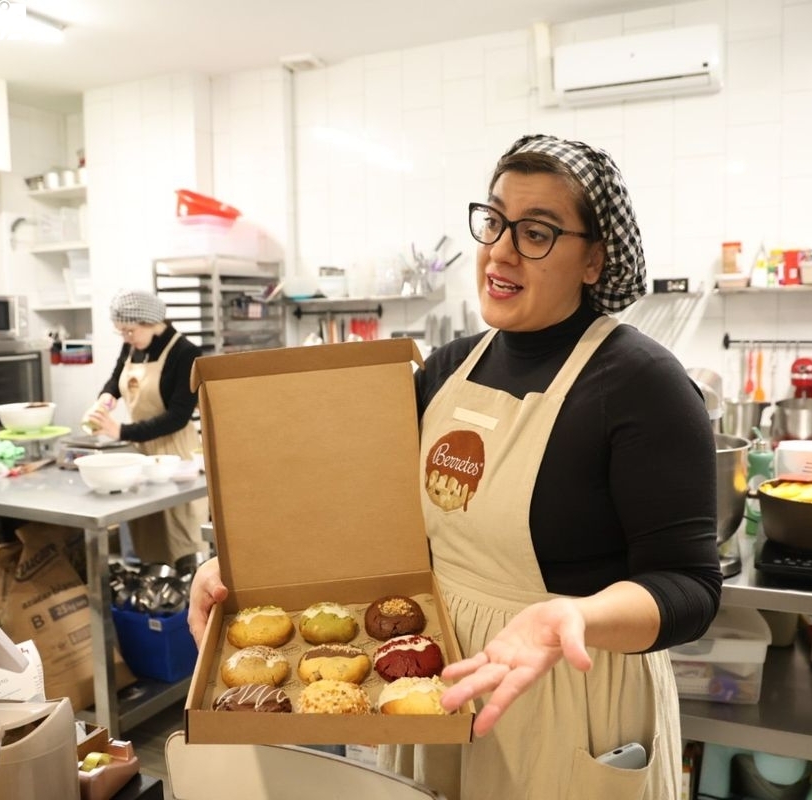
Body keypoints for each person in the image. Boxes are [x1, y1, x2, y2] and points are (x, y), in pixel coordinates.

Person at [187, 134, 719, 799]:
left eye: (537, 233)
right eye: (494, 221)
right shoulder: (445, 369)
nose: (499, 249)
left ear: (594, 260)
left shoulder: (641, 383)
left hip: (568, 695)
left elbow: (691, 586)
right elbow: (358, 511)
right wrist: (243, 567)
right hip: (428, 684)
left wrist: (576, 616)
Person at [86, 288, 207, 565]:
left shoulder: (185, 353)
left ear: (151, 321)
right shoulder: (133, 346)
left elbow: (178, 415)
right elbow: (115, 378)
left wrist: (121, 431)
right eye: (121, 332)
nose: (126, 337)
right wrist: (106, 398)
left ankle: (186, 593)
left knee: (180, 532)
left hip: (177, 454)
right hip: (140, 452)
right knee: (145, 530)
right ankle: (149, 593)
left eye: (130, 330)